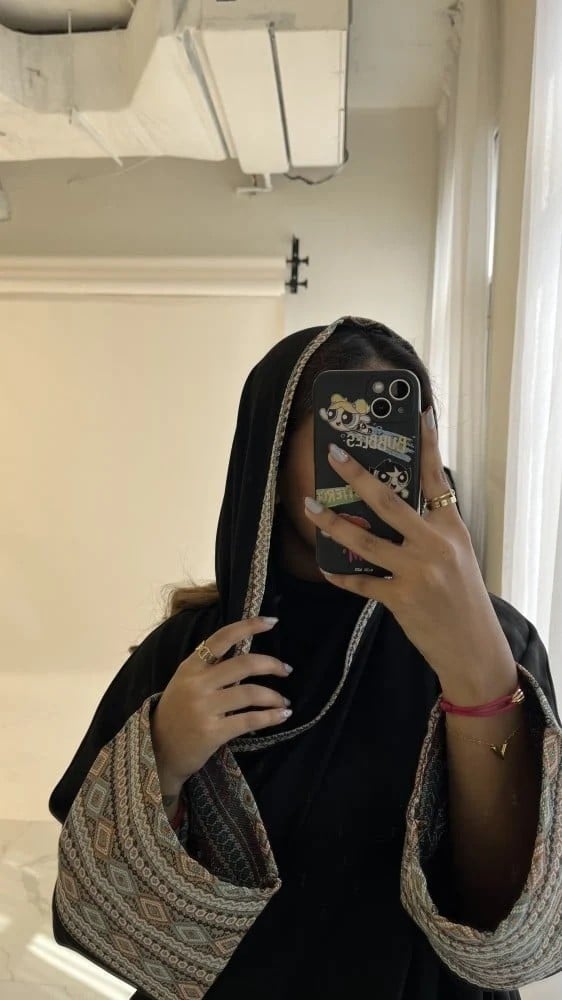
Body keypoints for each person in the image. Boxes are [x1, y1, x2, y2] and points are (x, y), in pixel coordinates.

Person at [49, 316, 562, 1000]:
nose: (369, 465)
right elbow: (100, 915)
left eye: (397, 435)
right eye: (341, 433)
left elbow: (513, 932)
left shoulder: (495, 641)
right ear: (269, 451)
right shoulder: (193, 653)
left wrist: (480, 678)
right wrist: (162, 757)